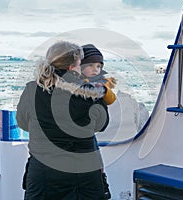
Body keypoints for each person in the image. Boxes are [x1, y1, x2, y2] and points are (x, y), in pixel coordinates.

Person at [16, 41, 110, 200]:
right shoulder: (91, 93)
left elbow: (23, 123)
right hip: (84, 173)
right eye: (80, 64)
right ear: (71, 67)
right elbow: (102, 125)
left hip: (44, 172)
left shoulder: (32, 89)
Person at [81, 44, 116, 199]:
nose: (95, 69)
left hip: (89, 132)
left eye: (98, 66)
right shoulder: (76, 83)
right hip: (84, 133)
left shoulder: (102, 82)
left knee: (96, 158)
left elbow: (111, 100)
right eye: (90, 65)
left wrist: (104, 90)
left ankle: (101, 179)